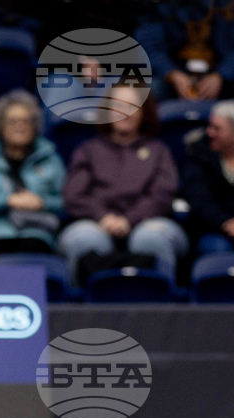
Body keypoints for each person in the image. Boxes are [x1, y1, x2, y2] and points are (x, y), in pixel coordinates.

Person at [58, 87, 186, 286]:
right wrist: (103, 217)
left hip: (148, 221)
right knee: (83, 239)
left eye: (132, 106)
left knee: (150, 238)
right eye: (117, 106)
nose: (124, 112)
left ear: (144, 112)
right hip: (96, 222)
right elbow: (74, 195)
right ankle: (79, 310)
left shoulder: (158, 151)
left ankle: (163, 309)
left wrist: (129, 219)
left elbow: (161, 195)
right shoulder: (88, 150)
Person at [0, 89, 65, 264]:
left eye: (26, 121)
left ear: (36, 126)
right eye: (13, 121)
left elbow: (67, 201)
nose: (20, 126)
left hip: (37, 232)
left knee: (34, 250)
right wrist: (9, 200)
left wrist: (41, 202)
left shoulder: (49, 157)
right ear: (0, 126)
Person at [133, 0, 234, 101]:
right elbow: (149, 45)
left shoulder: (227, 4)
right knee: (149, 90)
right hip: (172, 74)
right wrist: (172, 73)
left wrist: (221, 75)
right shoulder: (161, 6)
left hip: (221, 75)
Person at [183, 100, 234, 257]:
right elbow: (198, 197)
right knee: (218, 250)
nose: (210, 132)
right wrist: (225, 222)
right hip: (213, 229)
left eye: (217, 128)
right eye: (210, 126)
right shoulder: (199, 153)